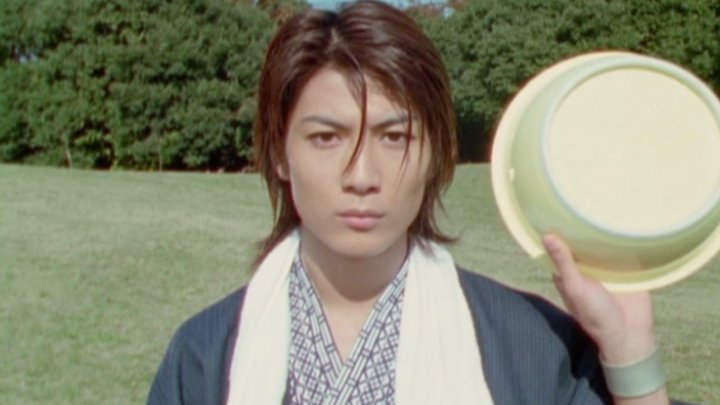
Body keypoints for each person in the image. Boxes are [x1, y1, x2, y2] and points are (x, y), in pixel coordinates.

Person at [147, 1, 676, 404]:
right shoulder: (206, 355)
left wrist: (628, 348)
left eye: (394, 137)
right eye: (327, 138)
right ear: (280, 155)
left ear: (437, 155)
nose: (362, 176)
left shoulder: (532, 345)